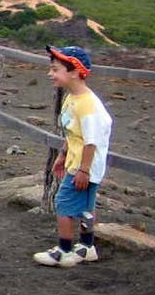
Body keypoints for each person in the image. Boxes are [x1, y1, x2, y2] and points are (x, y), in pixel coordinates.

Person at [33, 45, 113, 267]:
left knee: (63, 203)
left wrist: (83, 170)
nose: (51, 74)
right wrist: (63, 155)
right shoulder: (72, 98)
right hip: (78, 162)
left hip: (84, 166)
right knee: (86, 206)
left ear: (75, 72)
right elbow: (73, 133)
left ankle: (65, 250)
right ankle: (87, 246)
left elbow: (91, 141)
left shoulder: (87, 106)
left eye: (56, 69)